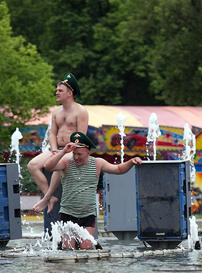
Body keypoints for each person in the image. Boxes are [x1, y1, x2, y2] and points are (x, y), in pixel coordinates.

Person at [42, 131, 142, 249]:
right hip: (68, 213)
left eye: (79, 154)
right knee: (68, 248)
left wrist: (131, 162)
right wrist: (63, 151)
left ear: (89, 152)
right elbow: (48, 166)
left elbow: (119, 169)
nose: (76, 157)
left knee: (86, 248)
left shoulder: (97, 163)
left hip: (87, 214)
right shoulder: (66, 162)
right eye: (74, 153)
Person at [29, 73, 89, 213]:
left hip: (73, 150)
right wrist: (55, 149)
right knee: (32, 165)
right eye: (56, 90)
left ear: (70, 92)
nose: (56, 92)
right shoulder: (56, 112)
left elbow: (81, 136)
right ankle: (51, 199)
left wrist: (67, 150)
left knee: (57, 164)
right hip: (57, 149)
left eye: (60, 90)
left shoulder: (81, 111)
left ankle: (46, 198)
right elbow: (52, 133)